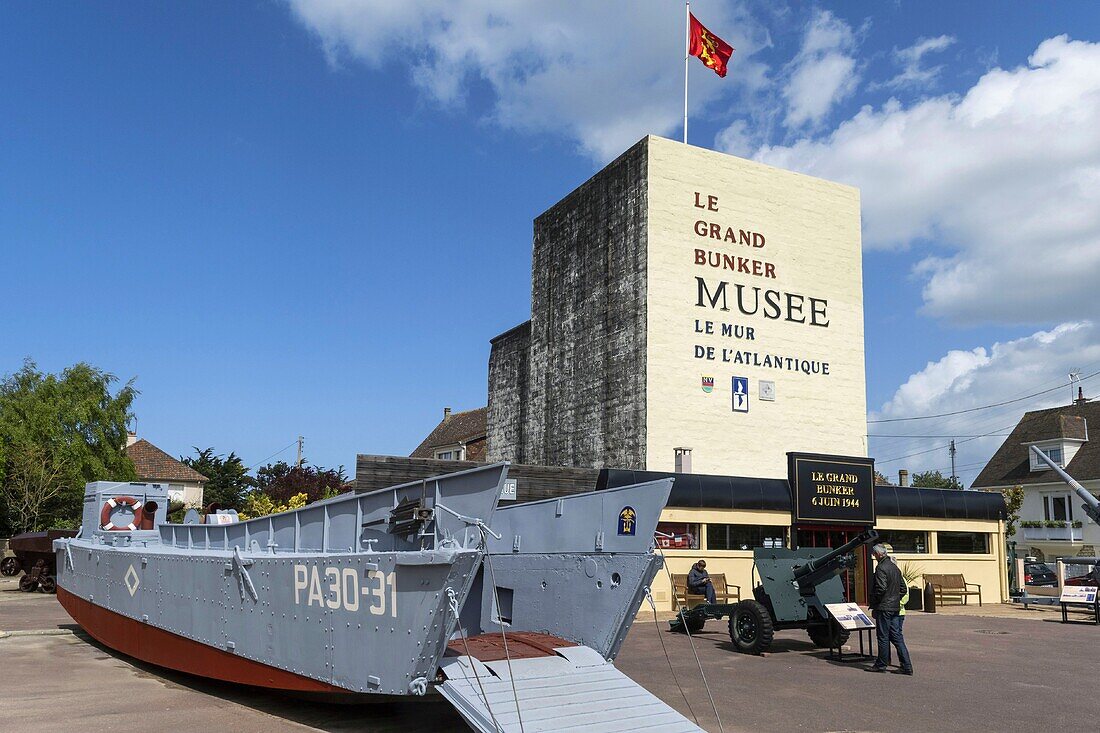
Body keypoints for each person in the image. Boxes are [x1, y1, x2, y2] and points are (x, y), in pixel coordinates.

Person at [867, 543, 913, 675]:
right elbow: (903, 589)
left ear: (879, 554)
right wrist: (895, 599)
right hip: (894, 607)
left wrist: (876, 602)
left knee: (883, 636)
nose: (874, 556)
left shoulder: (881, 568)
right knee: (897, 637)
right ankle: (906, 666)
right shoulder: (894, 568)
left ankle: (881, 664)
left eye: (874, 554)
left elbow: (880, 589)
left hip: (884, 607)